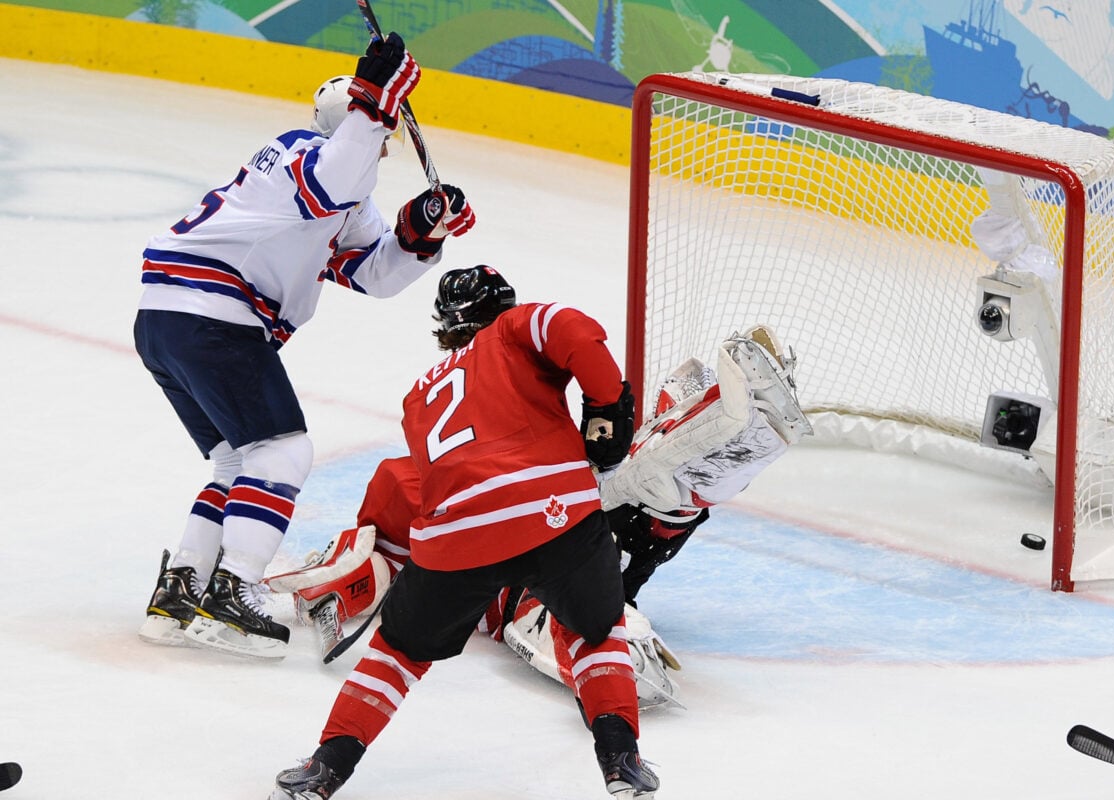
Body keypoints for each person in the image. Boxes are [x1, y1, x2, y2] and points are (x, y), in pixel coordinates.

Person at [134, 31, 477, 660]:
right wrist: (375, 100)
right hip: (212, 314)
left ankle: (183, 587)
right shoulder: (300, 156)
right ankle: (233, 594)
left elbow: (372, 272)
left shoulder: (342, 191)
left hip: (171, 316)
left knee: (240, 464)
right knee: (284, 452)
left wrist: (420, 230)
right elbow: (333, 177)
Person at [266, 321, 811, 710]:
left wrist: (333, 582)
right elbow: (370, 559)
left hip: (556, 563)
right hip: (555, 568)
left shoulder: (432, 454)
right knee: (663, 505)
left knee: (658, 504)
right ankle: (748, 424)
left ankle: (739, 418)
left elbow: (369, 560)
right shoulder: (507, 418)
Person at [270, 265, 661, 800]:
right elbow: (574, 328)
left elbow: (427, 491)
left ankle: (325, 768)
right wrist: (606, 407)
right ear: (503, 307)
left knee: (398, 653)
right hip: (556, 515)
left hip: (455, 539)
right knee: (598, 631)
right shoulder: (513, 330)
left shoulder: (418, 396)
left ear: (445, 326)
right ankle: (621, 760)